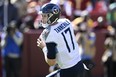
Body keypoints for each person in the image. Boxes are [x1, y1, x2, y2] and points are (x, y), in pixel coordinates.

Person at [37, 3, 84, 77]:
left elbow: (51, 62)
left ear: (52, 16)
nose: (42, 19)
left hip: (68, 70)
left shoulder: (49, 33)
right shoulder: (66, 21)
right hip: (80, 65)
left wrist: (44, 47)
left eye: (44, 16)